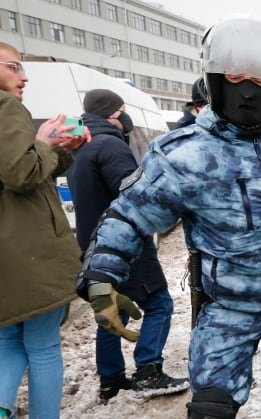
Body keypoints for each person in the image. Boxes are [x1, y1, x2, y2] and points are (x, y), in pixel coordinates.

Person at [74, 17, 261, 419]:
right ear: (214, 80)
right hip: (227, 310)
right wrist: (102, 273)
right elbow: (131, 214)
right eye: (234, 77)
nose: (247, 90)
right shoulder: (185, 155)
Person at [66, 88, 188, 402]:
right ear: (112, 113)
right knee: (160, 303)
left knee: (112, 308)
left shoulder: (82, 146)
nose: (126, 116)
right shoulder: (111, 146)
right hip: (124, 242)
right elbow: (133, 196)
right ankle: (148, 371)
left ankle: (111, 379)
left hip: (94, 242)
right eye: (122, 110)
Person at [0, 41, 89, 419]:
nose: (24, 76)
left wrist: (58, 151)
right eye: (14, 66)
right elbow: (21, 174)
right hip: (28, 252)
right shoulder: (6, 107)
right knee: (43, 347)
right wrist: (47, 141)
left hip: (6, 257)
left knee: (7, 341)